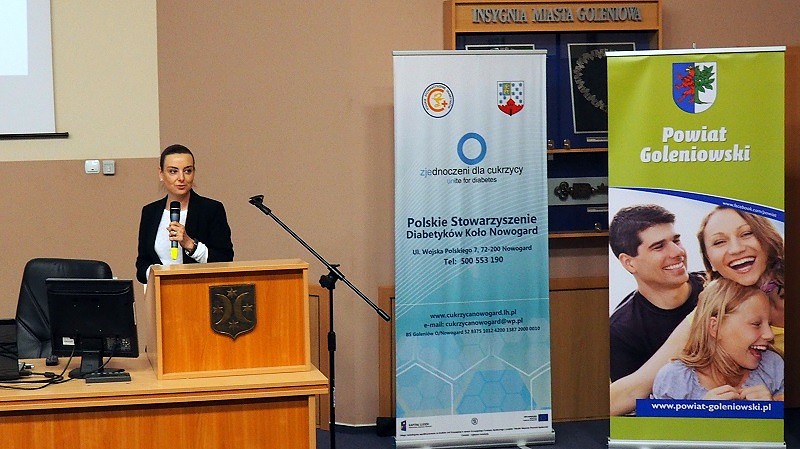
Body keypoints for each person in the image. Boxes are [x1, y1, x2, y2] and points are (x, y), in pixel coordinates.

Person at [610, 206, 784, 414]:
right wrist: (698, 410)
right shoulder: (712, 306)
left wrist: (776, 403)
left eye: (747, 233)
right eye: (658, 246)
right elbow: (633, 392)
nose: (678, 253)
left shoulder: (713, 290)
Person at [608, 204, 705, 382]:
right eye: (659, 247)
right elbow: (631, 397)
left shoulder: (718, 287)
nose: (678, 252)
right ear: (629, 263)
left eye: (676, 241)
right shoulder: (620, 332)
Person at [652, 278, 783, 401]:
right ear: (715, 327)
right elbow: (656, 419)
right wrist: (702, 413)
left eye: (769, 324)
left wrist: (774, 409)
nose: (769, 335)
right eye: (756, 324)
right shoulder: (674, 379)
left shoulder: (772, 367)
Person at [135, 144, 234, 284]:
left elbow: (225, 260)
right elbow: (142, 263)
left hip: (198, 289)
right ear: (161, 174)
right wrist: (156, 273)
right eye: (173, 171)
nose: (181, 178)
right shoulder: (150, 212)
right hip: (161, 291)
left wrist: (190, 244)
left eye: (187, 171)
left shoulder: (211, 209)